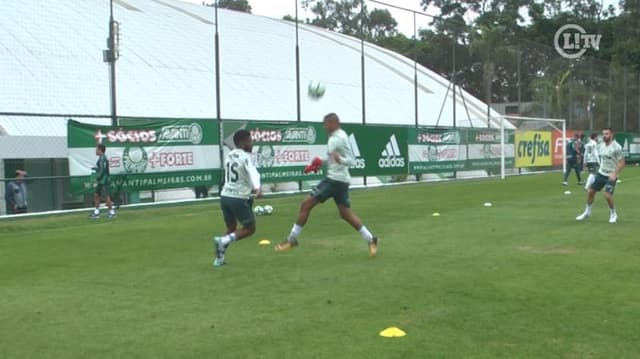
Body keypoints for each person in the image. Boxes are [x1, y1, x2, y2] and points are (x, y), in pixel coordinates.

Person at [275, 113, 379, 257]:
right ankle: (371, 239)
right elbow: (332, 158)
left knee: (306, 205)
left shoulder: (337, 138)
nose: (324, 127)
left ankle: (292, 239)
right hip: (341, 180)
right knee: (345, 214)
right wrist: (319, 161)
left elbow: (351, 161)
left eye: (326, 124)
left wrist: (339, 160)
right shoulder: (339, 136)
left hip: (334, 180)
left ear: (334, 123)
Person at [213, 130, 262, 267]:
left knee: (231, 226)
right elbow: (253, 171)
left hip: (225, 197)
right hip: (238, 198)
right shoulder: (245, 157)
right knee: (250, 229)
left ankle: (219, 259)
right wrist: (257, 187)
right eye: (250, 140)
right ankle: (224, 241)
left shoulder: (229, 155)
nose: (252, 143)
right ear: (244, 141)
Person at [576, 128, 625, 223]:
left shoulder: (617, 147)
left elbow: (622, 162)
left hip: (611, 175)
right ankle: (587, 212)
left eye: (607, 133)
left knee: (607, 195)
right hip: (601, 173)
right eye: (603, 134)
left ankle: (613, 213)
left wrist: (615, 174)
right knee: (590, 191)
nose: (604, 135)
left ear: (611, 135)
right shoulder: (601, 146)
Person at [90, 144, 116, 219]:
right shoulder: (103, 158)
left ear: (100, 150)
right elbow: (102, 168)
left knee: (106, 196)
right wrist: (96, 169)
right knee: (96, 195)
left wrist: (97, 178)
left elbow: (102, 170)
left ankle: (112, 212)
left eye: (96, 149)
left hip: (103, 180)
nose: (96, 151)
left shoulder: (102, 158)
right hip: (103, 179)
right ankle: (96, 212)